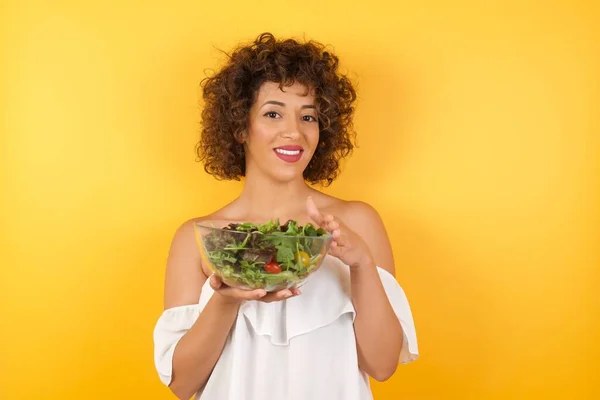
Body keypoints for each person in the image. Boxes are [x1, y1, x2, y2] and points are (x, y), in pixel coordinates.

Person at [153, 32, 419, 400]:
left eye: (308, 116)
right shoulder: (201, 239)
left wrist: (361, 264)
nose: (294, 131)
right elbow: (182, 383)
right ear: (239, 127)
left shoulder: (356, 223)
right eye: (273, 113)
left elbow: (382, 364)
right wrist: (227, 298)